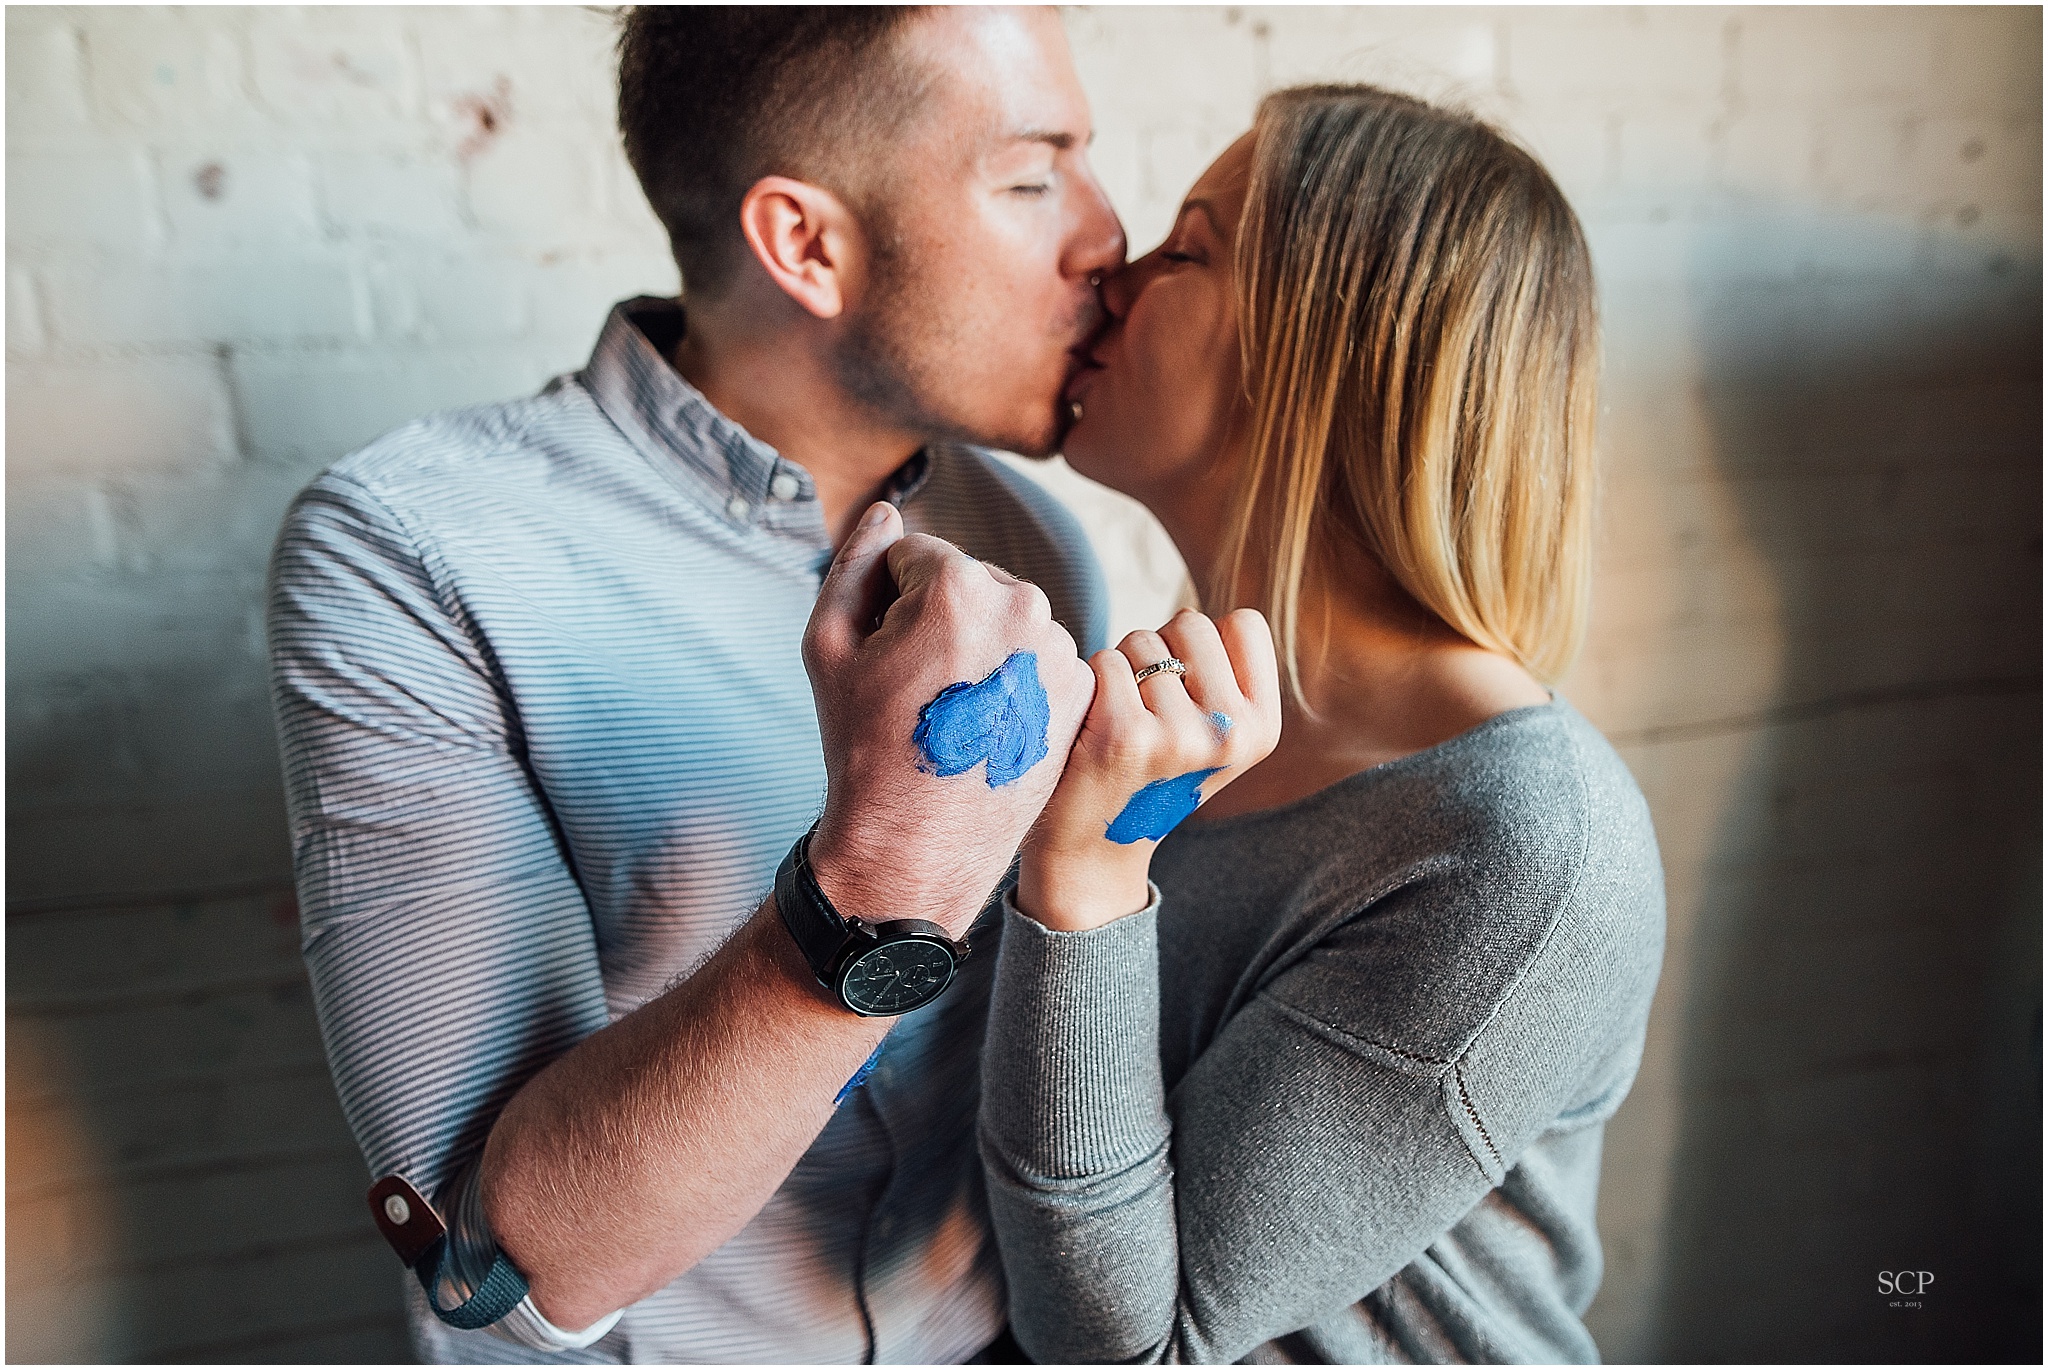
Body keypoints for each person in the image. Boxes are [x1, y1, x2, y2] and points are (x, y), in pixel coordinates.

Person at [267, 7, 1123, 1361]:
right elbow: (501, 1264)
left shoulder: (1034, 542)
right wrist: (873, 885)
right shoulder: (414, 553)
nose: (1105, 237)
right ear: (806, 244)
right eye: (1032, 178)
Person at [978, 84, 1668, 1363]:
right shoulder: (1162, 714)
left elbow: (1129, 1343)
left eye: (1186, 248)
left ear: (1327, 352)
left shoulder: (1523, 850)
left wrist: (1081, 879)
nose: (1113, 276)